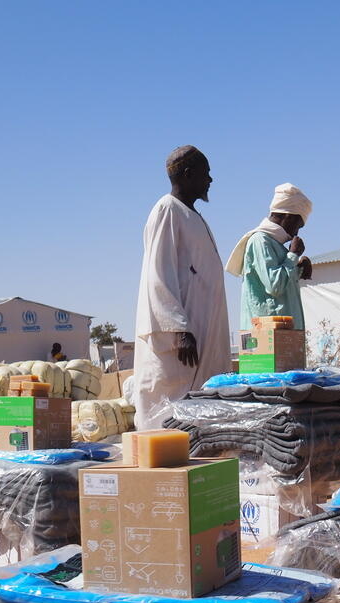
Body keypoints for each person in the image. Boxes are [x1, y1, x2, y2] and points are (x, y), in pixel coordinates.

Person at [130, 145, 231, 428]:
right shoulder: (167, 210)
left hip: (204, 330)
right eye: (206, 174)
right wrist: (178, 329)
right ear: (188, 175)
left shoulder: (192, 215)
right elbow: (158, 272)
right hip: (181, 338)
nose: (210, 180)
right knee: (171, 412)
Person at [226, 184, 314, 330]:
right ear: (288, 217)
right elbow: (275, 285)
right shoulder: (260, 241)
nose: (296, 233)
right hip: (266, 336)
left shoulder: (276, 244)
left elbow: (281, 281)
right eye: (298, 226)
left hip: (283, 335)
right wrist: (293, 255)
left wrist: (299, 267)